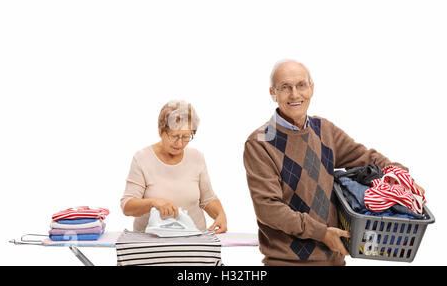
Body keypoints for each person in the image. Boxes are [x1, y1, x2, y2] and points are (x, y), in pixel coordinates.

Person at [242, 59, 424, 266]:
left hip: (334, 260)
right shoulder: (260, 142)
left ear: (312, 89)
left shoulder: (324, 129)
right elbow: (269, 209)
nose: (294, 94)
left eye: (301, 85)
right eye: (285, 87)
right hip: (287, 262)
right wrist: (322, 233)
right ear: (272, 93)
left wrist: (401, 175)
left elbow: (365, 157)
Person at [121, 100, 227, 234]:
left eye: (186, 137)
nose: (180, 143)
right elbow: (127, 206)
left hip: (193, 240)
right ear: (161, 131)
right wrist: (153, 203)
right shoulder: (142, 159)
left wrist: (220, 214)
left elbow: (208, 199)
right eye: (174, 136)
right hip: (150, 243)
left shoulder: (197, 158)